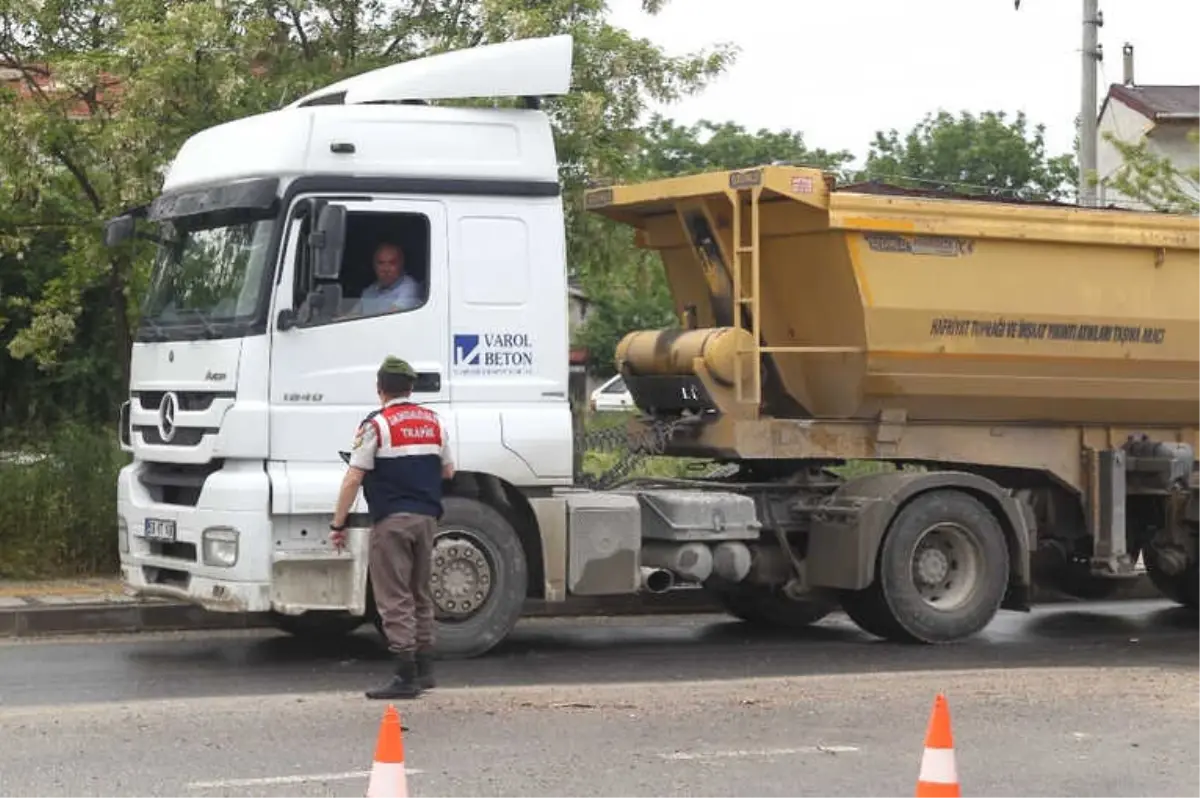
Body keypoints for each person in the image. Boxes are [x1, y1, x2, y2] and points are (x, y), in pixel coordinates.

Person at [329, 356, 455, 700]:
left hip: (392, 521)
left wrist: (338, 523)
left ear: (380, 389)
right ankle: (426, 670)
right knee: (420, 593)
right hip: (427, 519)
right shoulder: (434, 422)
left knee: (394, 598)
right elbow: (449, 472)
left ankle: (405, 676)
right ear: (410, 387)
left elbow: (354, 477)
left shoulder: (376, 424)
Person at [354, 242, 423, 316]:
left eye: (392, 263)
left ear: (401, 264)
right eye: (381, 263)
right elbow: (351, 316)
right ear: (374, 266)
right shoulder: (370, 291)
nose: (386, 269)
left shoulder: (410, 288)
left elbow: (389, 319)